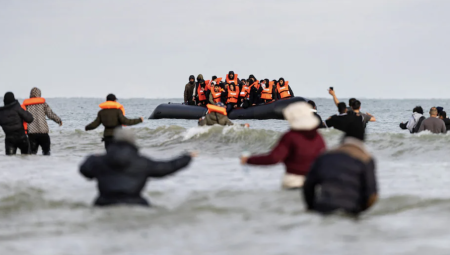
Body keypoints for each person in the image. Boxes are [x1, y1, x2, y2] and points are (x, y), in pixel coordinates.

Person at [80, 128, 194, 207]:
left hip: (104, 204)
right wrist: (186, 157)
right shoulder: (142, 162)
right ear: (133, 142)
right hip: (135, 204)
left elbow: (84, 170)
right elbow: (166, 167)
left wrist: (92, 158)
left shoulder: (99, 161)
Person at [241, 102, 325, 189]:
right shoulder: (318, 137)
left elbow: (274, 158)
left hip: (293, 181)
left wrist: (248, 160)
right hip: (313, 181)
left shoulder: (291, 136)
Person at [303, 122, 378, 216]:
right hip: (350, 209)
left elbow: (308, 185)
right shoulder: (366, 159)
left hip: (323, 207)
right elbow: (372, 196)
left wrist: (311, 207)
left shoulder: (325, 155)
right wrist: (359, 211)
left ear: (344, 137)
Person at [22, 87, 62, 155]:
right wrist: (59, 120)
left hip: (32, 134)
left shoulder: (26, 105)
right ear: (39, 94)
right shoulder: (43, 104)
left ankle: (31, 165)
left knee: (31, 154)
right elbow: (50, 114)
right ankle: (46, 165)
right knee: (46, 153)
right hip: (43, 133)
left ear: (30, 95)